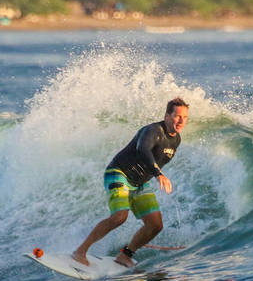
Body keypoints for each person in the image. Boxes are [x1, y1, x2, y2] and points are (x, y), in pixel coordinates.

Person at [72, 97, 189, 268]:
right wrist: (158, 174)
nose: (181, 121)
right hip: (119, 173)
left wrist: (152, 174)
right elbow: (143, 149)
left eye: (185, 117)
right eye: (177, 116)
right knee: (119, 217)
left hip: (139, 183)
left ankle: (125, 255)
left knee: (155, 225)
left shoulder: (176, 139)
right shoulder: (153, 130)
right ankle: (80, 251)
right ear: (166, 115)